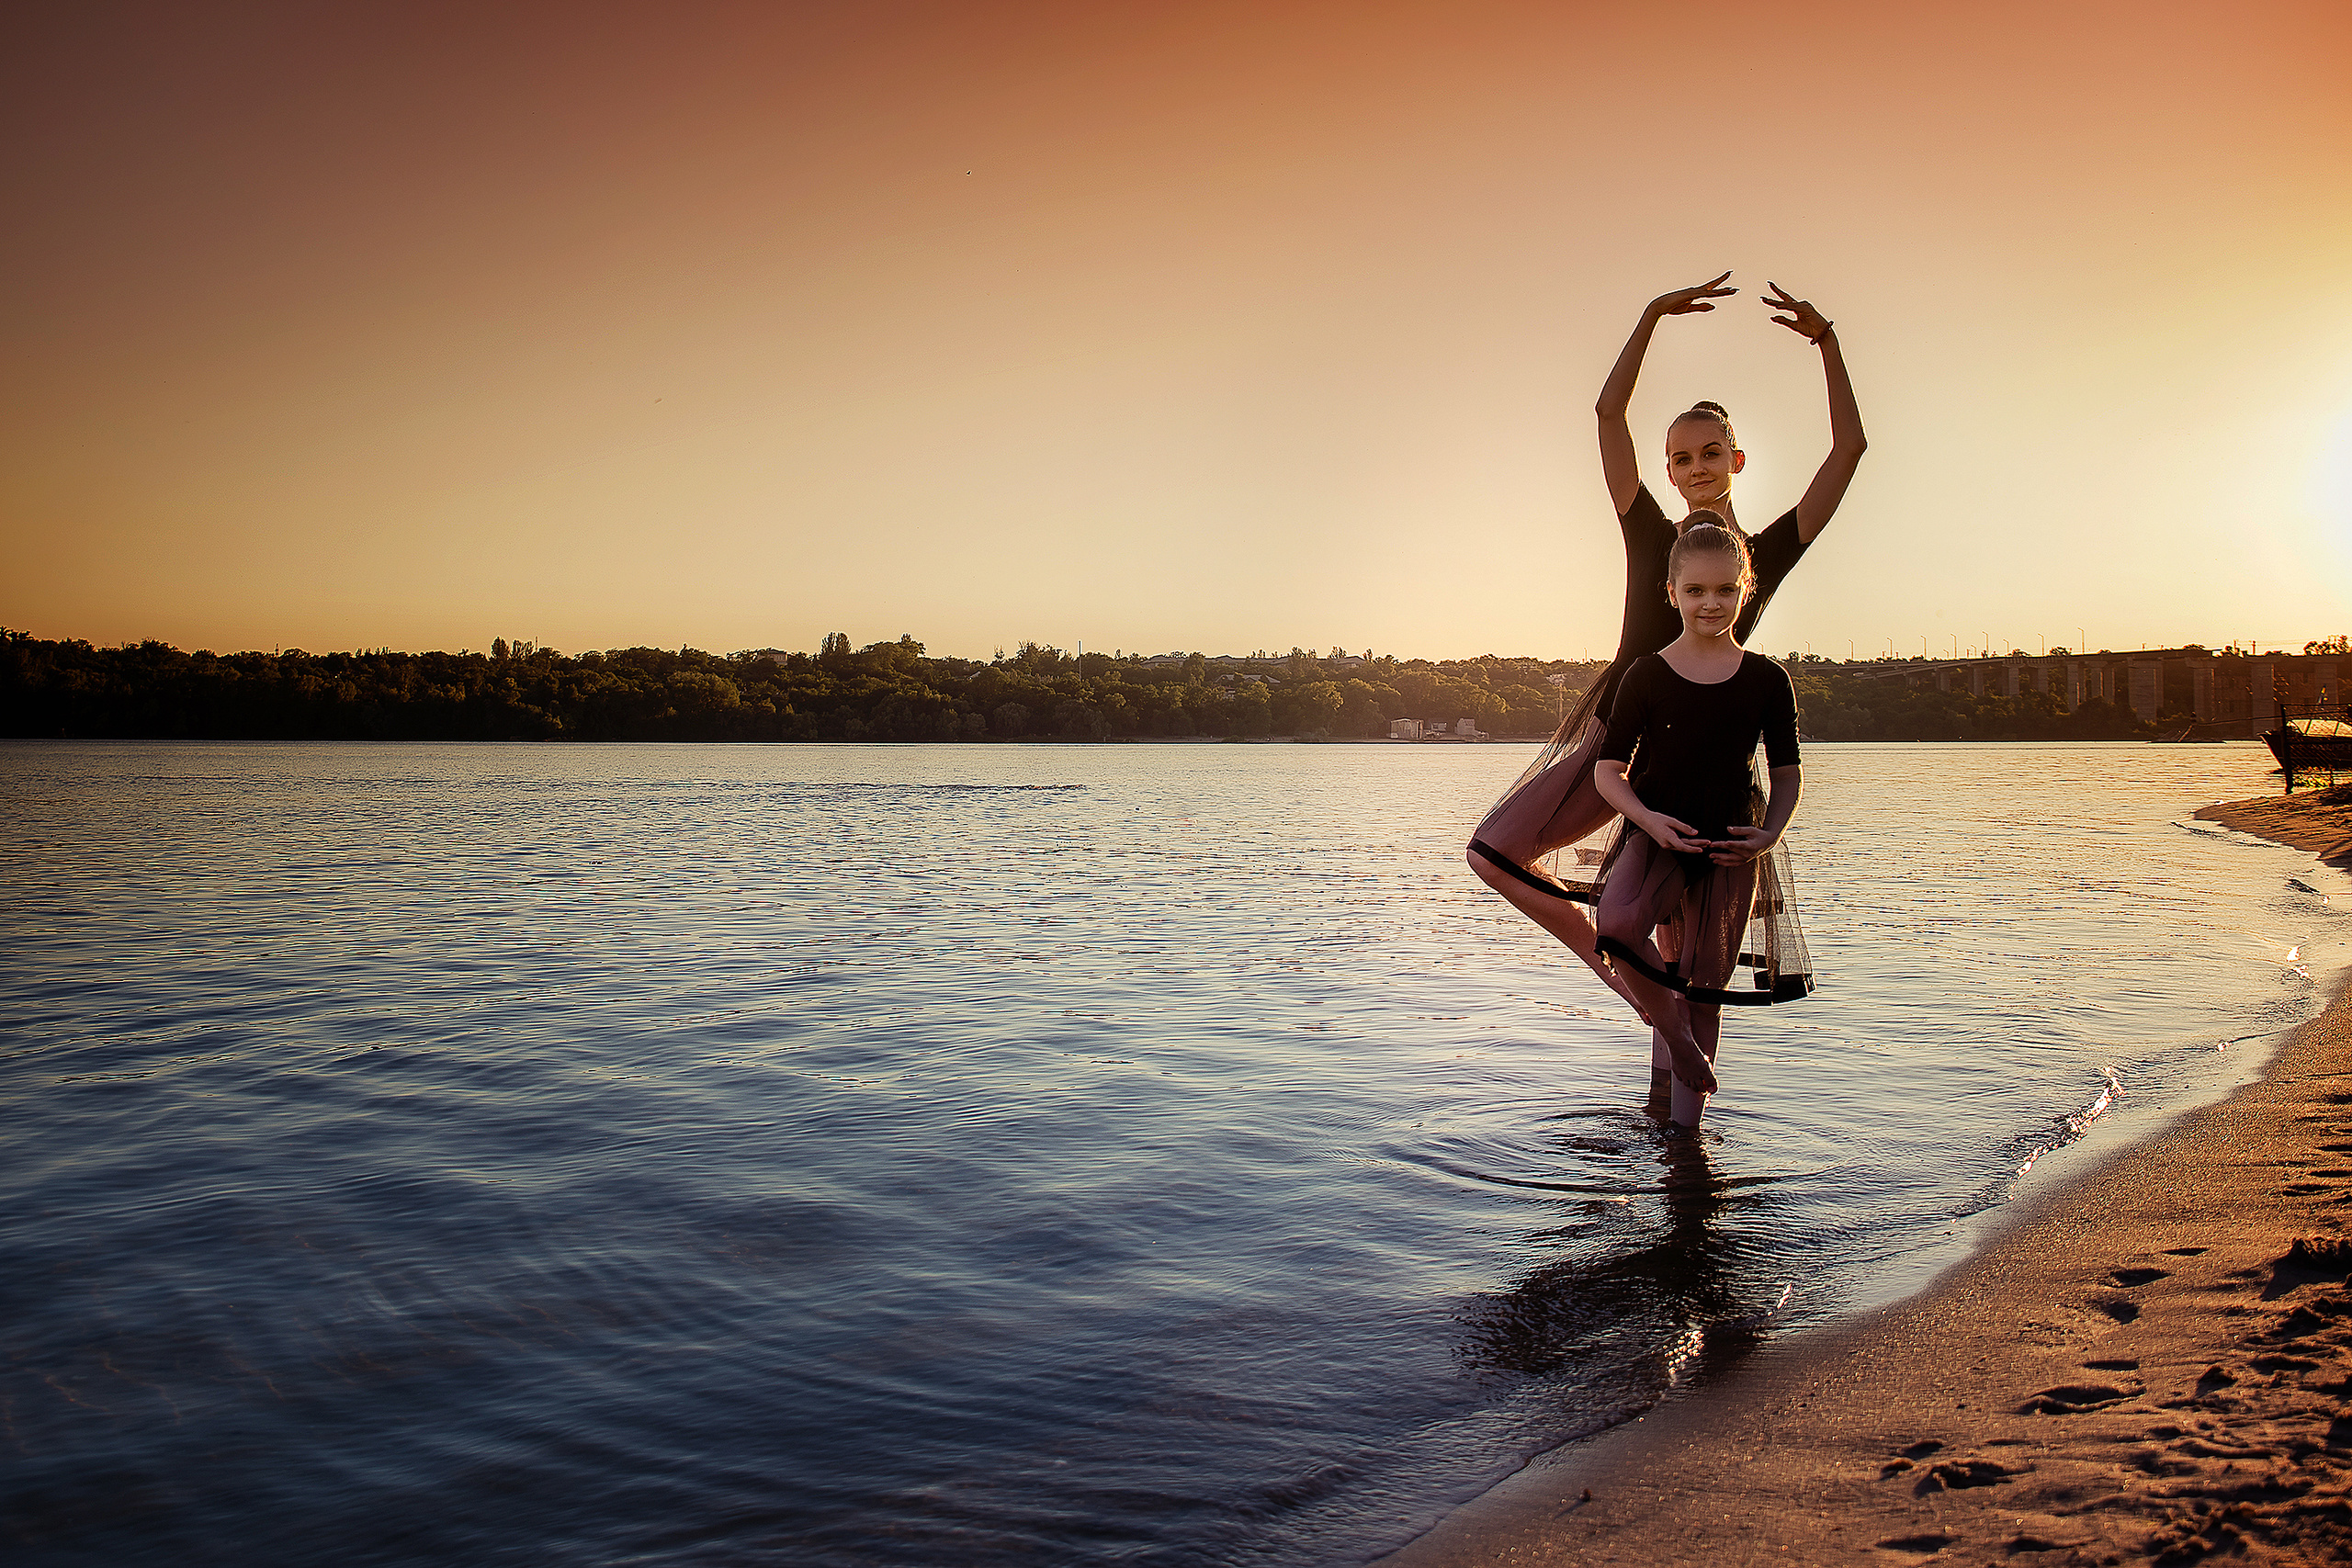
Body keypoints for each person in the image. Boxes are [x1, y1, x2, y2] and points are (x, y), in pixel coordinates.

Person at [1465, 273, 1862, 1058]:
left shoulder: (1762, 556)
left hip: (1707, 771)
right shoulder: (1650, 532)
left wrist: (1828, 342)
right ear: (1670, 473)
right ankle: (1625, 985)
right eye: (1682, 457)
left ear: (1737, 459)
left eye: (1712, 451)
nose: (1698, 465)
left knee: (1688, 970)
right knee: (1495, 851)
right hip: (1619, 738)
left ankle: (1679, 1137)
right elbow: (1608, 414)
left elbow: (1848, 450)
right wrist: (1649, 316)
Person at [1589, 522, 1812, 1127]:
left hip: (1729, 839)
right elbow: (1609, 773)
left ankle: (1686, 1146)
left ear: (1747, 589)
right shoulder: (1646, 674)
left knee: (1703, 986)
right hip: (1659, 825)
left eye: (1724, 590)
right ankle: (1676, 1041)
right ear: (1671, 593)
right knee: (1617, 921)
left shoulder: (1768, 680)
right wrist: (1648, 821)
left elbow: (1787, 774)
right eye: (1695, 591)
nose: (1710, 603)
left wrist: (1770, 834)